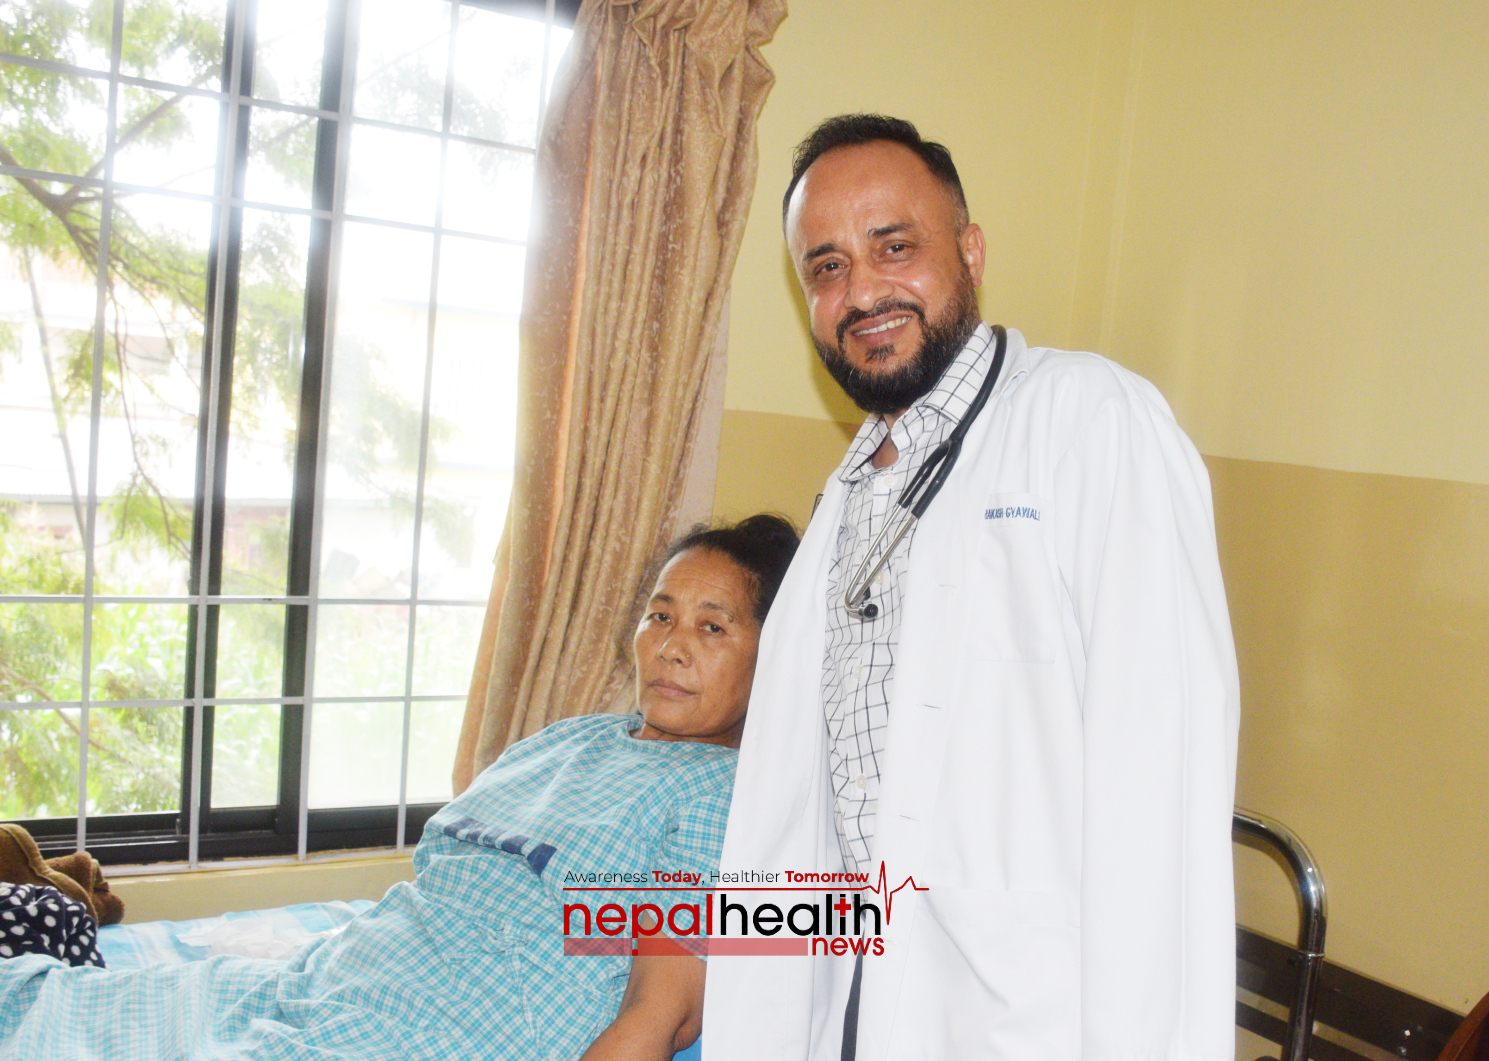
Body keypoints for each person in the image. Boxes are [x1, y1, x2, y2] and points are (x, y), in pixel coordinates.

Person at [703, 115, 1240, 1060]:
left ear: (970, 251)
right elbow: (800, 812)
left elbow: (1161, 774)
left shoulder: (1089, 420)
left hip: (1032, 1018)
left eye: (894, 247)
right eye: (825, 267)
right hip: (861, 1000)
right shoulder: (852, 495)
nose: (861, 291)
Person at [0, 514, 800, 1061]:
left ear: (776, 655)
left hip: (442, 1026)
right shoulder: (574, 738)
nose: (671, 646)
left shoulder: (719, 793)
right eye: (659, 615)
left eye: (712, 625)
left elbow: (662, 1015)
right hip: (338, 972)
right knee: (50, 1003)